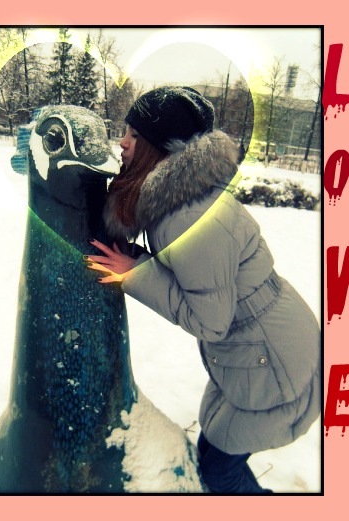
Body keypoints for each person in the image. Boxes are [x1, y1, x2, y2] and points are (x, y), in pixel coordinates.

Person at [84, 86, 321, 494]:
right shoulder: (179, 199)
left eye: (135, 135)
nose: (122, 142)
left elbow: (210, 321)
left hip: (270, 356)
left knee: (219, 471)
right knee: (216, 450)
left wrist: (137, 272)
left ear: (161, 148)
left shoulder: (185, 215)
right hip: (260, 342)